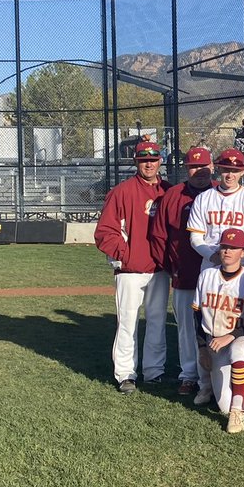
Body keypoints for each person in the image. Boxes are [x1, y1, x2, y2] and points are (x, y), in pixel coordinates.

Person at [94, 140, 169, 394]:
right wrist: (125, 256)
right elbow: (105, 232)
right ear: (136, 162)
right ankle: (126, 373)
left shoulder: (168, 191)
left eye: (153, 159)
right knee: (127, 323)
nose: (149, 163)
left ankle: (154, 371)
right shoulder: (122, 192)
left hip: (158, 269)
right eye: (143, 160)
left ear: (160, 161)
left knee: (157, 321)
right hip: (129, 271)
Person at [148, 145, 213, 395]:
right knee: (186, 327)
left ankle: (215, 373)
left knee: (217, 326)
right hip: (185, 273)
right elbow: (159, 236)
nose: (199, 171)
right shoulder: (174, 195)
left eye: (204, 166)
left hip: (218, 274)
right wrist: (171, 266)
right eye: (194, 166)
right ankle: (189, 374)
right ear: (186, 169)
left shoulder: (221, 193)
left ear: (212, 167)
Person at [193, 228, 244, 434]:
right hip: (213, 341)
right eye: (224, 247)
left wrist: (232, 335)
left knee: (239, 350)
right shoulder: (206, 275)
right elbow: (197, 314)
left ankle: (241, 407)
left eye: (234, 248)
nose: (227, 251)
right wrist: (202, 348)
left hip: (241, 337)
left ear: (243, 252)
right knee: (222, 405)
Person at [187, 149, 244, 271]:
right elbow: (195, 237)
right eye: (226, 170)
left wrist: (238, 259)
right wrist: (212, 256)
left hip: (243, 266)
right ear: (218, 169)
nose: (230, 175)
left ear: (243, 171)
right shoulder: (203, 198)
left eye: (235, 170)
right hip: (211, 264)